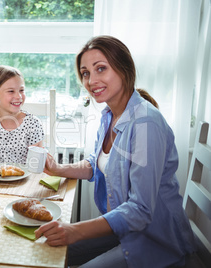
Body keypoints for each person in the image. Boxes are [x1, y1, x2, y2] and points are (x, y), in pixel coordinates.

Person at [35, 36, 195, 267]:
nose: (91, 80)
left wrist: (75, 230)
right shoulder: (109, 115)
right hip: (122, 231)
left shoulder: (146, 124)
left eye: (101, 69)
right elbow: (96, 163)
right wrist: (58, 169)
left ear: (124, 69)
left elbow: (140, 210)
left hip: (155, 241)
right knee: (43, 253)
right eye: (86, 73)